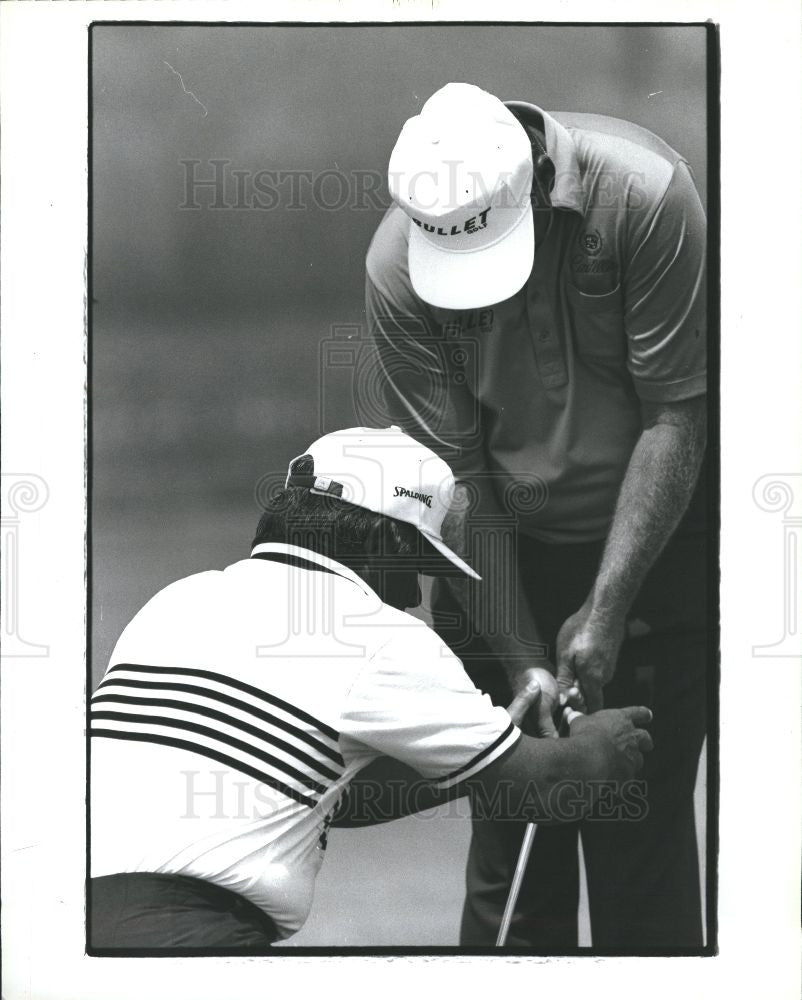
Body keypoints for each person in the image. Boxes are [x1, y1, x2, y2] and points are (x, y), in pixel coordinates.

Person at [365, 83, 709, 950]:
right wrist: (522, 661)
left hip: (656, 539)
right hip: (497, 549)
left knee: (639, 845)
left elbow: (676, 416)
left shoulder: (646, 196)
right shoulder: (397, 268)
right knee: (514, 840)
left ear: (539, 180)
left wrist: (608, 608)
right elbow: (460, 478)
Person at [89, 425, 653, 951]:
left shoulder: (179, 600)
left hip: (67, 918)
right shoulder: (380, 635)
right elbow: (545, 788)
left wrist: (470, 758)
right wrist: (605, 739)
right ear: (391, 541)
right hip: (196, 937)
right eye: (417, 565)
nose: (411, 596)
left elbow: (330, 799)